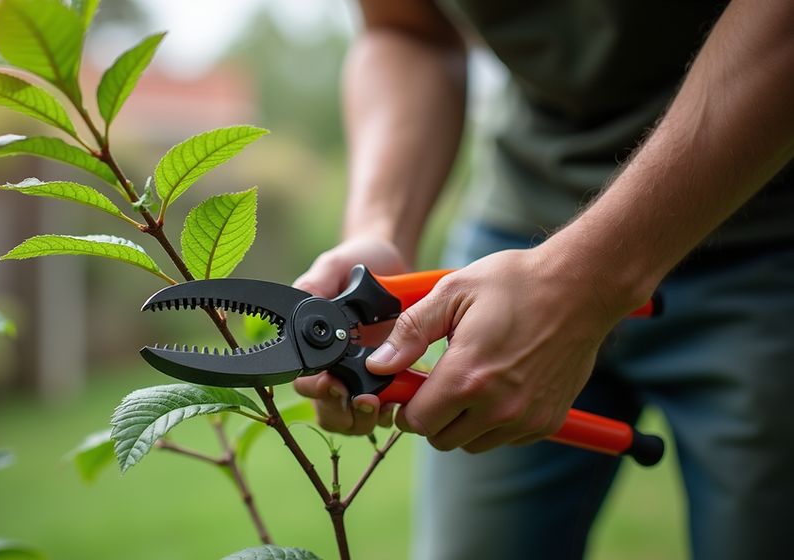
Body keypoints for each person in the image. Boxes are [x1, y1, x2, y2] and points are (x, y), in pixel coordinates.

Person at [291, 0, 794, 558]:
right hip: (514, 231)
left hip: (769, 230)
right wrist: (379, 230)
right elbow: (408, 30)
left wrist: (589, 279)